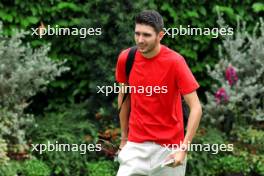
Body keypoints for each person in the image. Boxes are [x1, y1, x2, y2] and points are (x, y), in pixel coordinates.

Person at [115, 10, 202, 176]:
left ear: (160, 35)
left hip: (169, 150)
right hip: (135, 147)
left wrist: (183, 149)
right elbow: (124, 98)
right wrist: (124, 138)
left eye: (146, 35)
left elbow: (196, 107)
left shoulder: (175, 62)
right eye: (137, 34)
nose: (140, 40)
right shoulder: (126, 58)